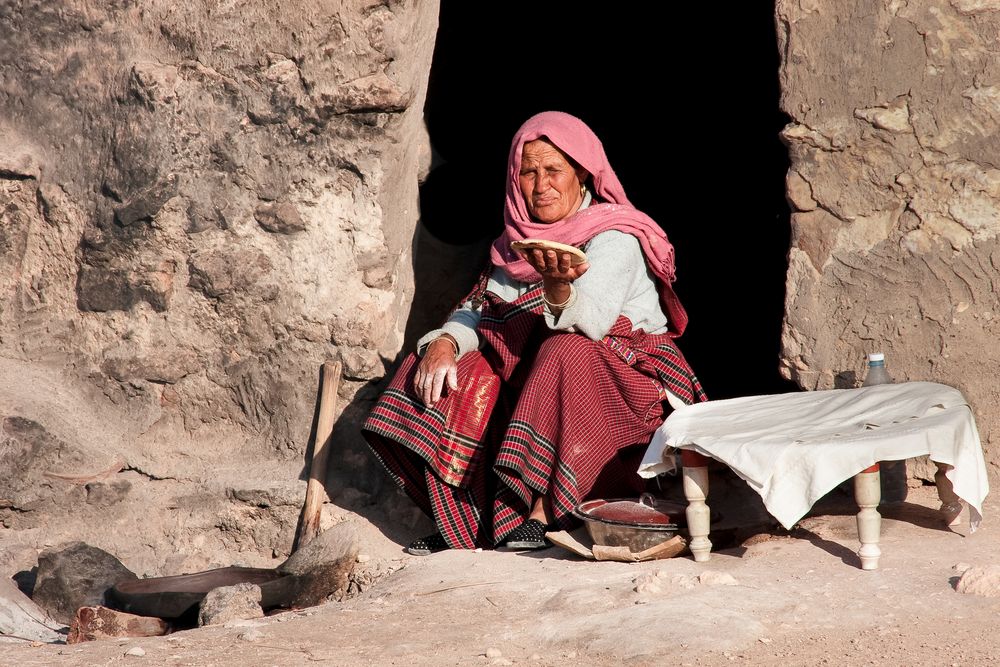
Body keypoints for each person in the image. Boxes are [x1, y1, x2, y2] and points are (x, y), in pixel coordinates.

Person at [362, 111, 705, 555]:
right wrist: (445, 343)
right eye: (528, 171)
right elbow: (479, 310)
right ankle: (466, 526)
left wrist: (559, 288)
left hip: (622, 399)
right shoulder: (513, 245)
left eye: (554, 170)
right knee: (452, 363)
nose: (541, 184)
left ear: (582, 174)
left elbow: (593, 322)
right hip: (544, 385)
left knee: (565, 351)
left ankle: (543, 514)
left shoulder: (615, 235)